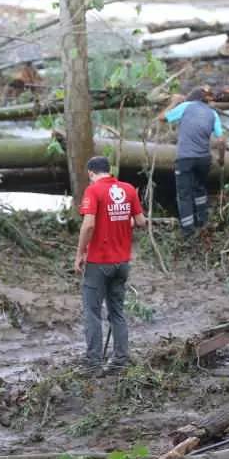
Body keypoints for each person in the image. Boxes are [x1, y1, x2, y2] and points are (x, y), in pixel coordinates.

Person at [74, 156, 146, 376]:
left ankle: (93, 364)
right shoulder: (128, 189)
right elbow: (141, 222)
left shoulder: (93, 191)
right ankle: (120, 360)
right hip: (122, 263)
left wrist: (79, 254)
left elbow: (88, 225)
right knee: (117, 312)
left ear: (91, 173)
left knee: (92, 313)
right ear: (110, 170)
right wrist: (124, 220)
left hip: (99, 263)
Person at [160, 87, 225, 237]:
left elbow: (162, 118)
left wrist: (174, 102)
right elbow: (221, 140)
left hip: (185, 159)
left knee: (184, 194)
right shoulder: (213, 113)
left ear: (192, 98)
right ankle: (202, 222)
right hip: (204, 160)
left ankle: (188, 231)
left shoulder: (185, 106)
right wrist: (221, 159)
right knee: (199, 189)